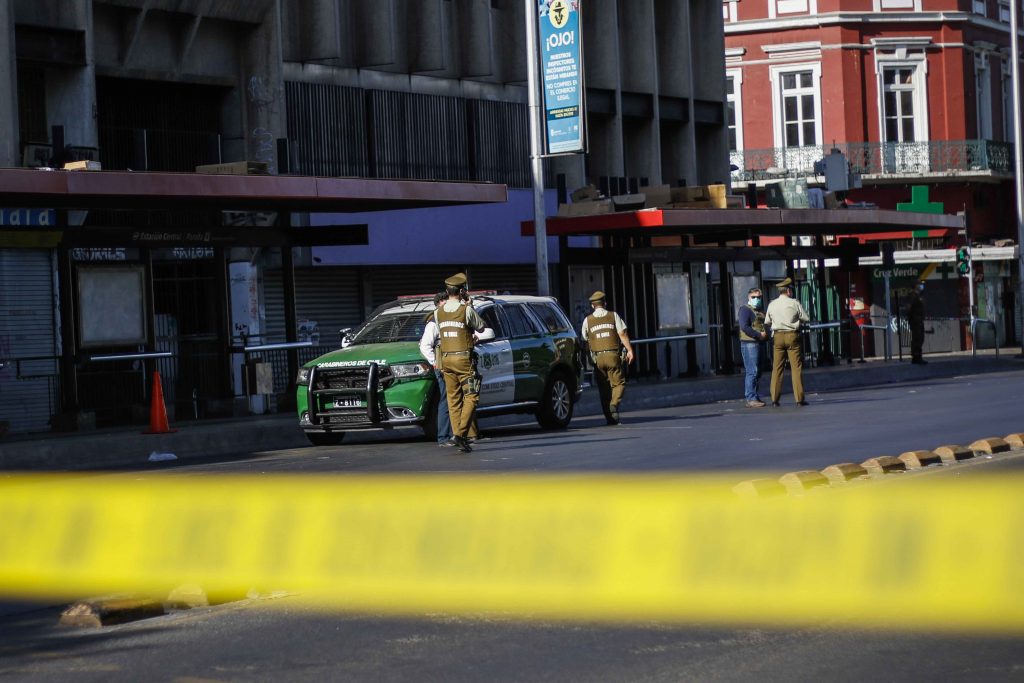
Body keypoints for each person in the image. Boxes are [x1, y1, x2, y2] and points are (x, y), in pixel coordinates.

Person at [419, 290, 494, 448]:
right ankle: (450, 436)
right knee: (459, 399)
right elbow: (425, 345)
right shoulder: (437, 318)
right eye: (444, 304)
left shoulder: (453, 313)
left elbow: (468, 331)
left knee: (460, 399)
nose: (448, 307)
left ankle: (467, 434)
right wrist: (435, 363)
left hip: (453, 362)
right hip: (449, 364)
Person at [434, 272, 487, 453]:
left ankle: (458, 435)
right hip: (464, 360)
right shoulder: (466, 310)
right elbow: (481, 327)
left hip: (446, 360)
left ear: (447, 291)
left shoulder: (437, 312)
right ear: (462, 291)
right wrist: (469, 305)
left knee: (453, 399)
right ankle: (461, 434)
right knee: (472, 396)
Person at [581, 291, 635, 425]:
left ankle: (610, 418)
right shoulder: (613, 316)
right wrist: (629, 350)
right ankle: (614, 404)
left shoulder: (587, 320)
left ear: (593, 306)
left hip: (598, 359)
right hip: (612, 356)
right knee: (619, 384)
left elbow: (584, 340)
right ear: (605, 303)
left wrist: (589, 357)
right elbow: (622, 334)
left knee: (603, 388)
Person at [764, 277, 810, 407]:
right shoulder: (794, 303)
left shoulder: (772, 304)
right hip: (792, 336)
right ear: (789, 291)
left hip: (778, 337)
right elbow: (806, 318)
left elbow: (767, 321)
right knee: (796, 368)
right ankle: (799, 399)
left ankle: (774, 399)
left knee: (777, 368)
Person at [738, 287, 768, 408]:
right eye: (754, 297)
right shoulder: (745, 310)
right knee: (752, 371)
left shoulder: (760, 311)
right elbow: (744, 327)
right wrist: (758, 335)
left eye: (759, 297)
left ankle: (754, 395)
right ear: (749, 297)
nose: (757, 299)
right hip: (750, 343)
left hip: (759, 342)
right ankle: (751, 397)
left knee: (758, 371)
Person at [907, 280, 927, 365]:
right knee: (917, 338)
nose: (921, 286)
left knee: (921, 338)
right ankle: (916, 357)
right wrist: (911, 318)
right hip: (915, 320)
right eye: (919, 285)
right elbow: (909, 307)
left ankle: (918, 356)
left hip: (919, 320)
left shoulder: (919, 296)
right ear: (916, 286)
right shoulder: (913, 296)